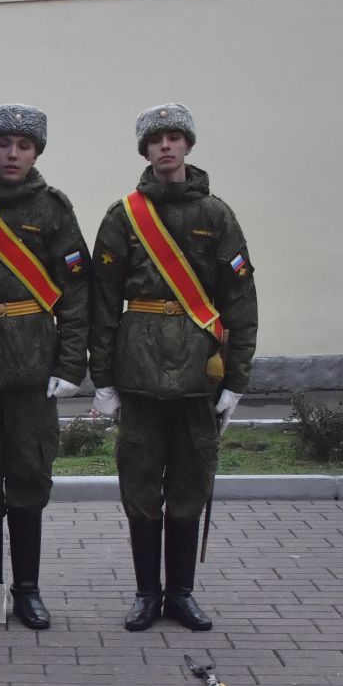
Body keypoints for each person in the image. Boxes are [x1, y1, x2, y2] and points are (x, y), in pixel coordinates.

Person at [89, 103, 257, 632]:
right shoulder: (123, 216)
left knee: (189, 486)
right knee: (140, 486)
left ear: (187, 146)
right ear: (145, 150)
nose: (165, 146)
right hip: (137, 374)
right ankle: (146, 594)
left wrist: (236, 379)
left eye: (174, 137)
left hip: (196, 376)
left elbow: (241, 300)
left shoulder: (217, 216)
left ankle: (181, 594)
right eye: (155, 139)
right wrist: (105, 379)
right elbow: (102, 302)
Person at [0, 104, 89, 630]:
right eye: (4, 143)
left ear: (37, 153)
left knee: (29, 477)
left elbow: (76, 294)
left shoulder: (53, 209)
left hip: (34, 366)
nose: (13, 154)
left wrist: (70, 363)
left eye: (24, 146)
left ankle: (27, 590)